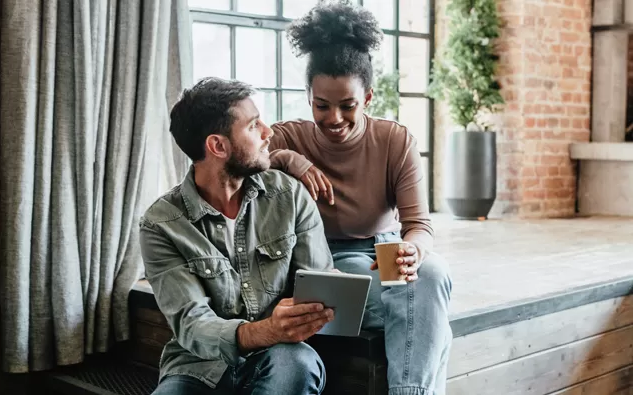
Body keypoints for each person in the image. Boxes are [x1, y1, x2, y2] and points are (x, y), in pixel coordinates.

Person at [268, 2, 453, 394]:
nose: (334, 118)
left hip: (382, 254)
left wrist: (414, 251)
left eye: (347, 105)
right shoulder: (287, 137)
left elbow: (418, 225)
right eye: (322, 105)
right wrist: (291, 161)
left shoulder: (395, 140)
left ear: (367, 97)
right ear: (308, 96)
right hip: (324, 260)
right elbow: (243, 164)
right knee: (425, 313)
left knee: (433, 276)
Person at [139, 77, 337, 395]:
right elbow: (192, 323)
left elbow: (317, 284)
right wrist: (263, 330)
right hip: (197, 365)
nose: (268, 132)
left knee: (297, 367)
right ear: (218, 146)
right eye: (253, 125)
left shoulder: (289, 196)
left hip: (282, 354)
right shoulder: (161, 224)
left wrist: (326, 298)